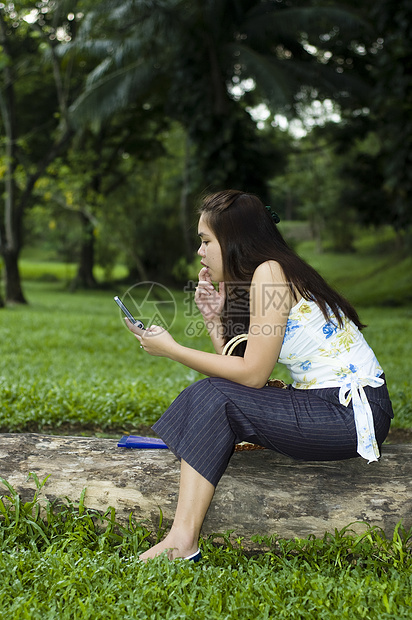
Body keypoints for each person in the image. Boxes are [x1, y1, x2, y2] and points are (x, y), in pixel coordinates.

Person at [125, 189, 393, 562]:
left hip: (348, 413)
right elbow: (238, 373)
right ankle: (182, 538)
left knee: (210, 394)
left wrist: (172, 349)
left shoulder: (270, 274)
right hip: (325, 404)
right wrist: (214, 319)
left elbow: (250, 377)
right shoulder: (266, 275)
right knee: (211, 394)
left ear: (233, 240)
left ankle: (181, 542)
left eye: (206, 241)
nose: (199, 252)